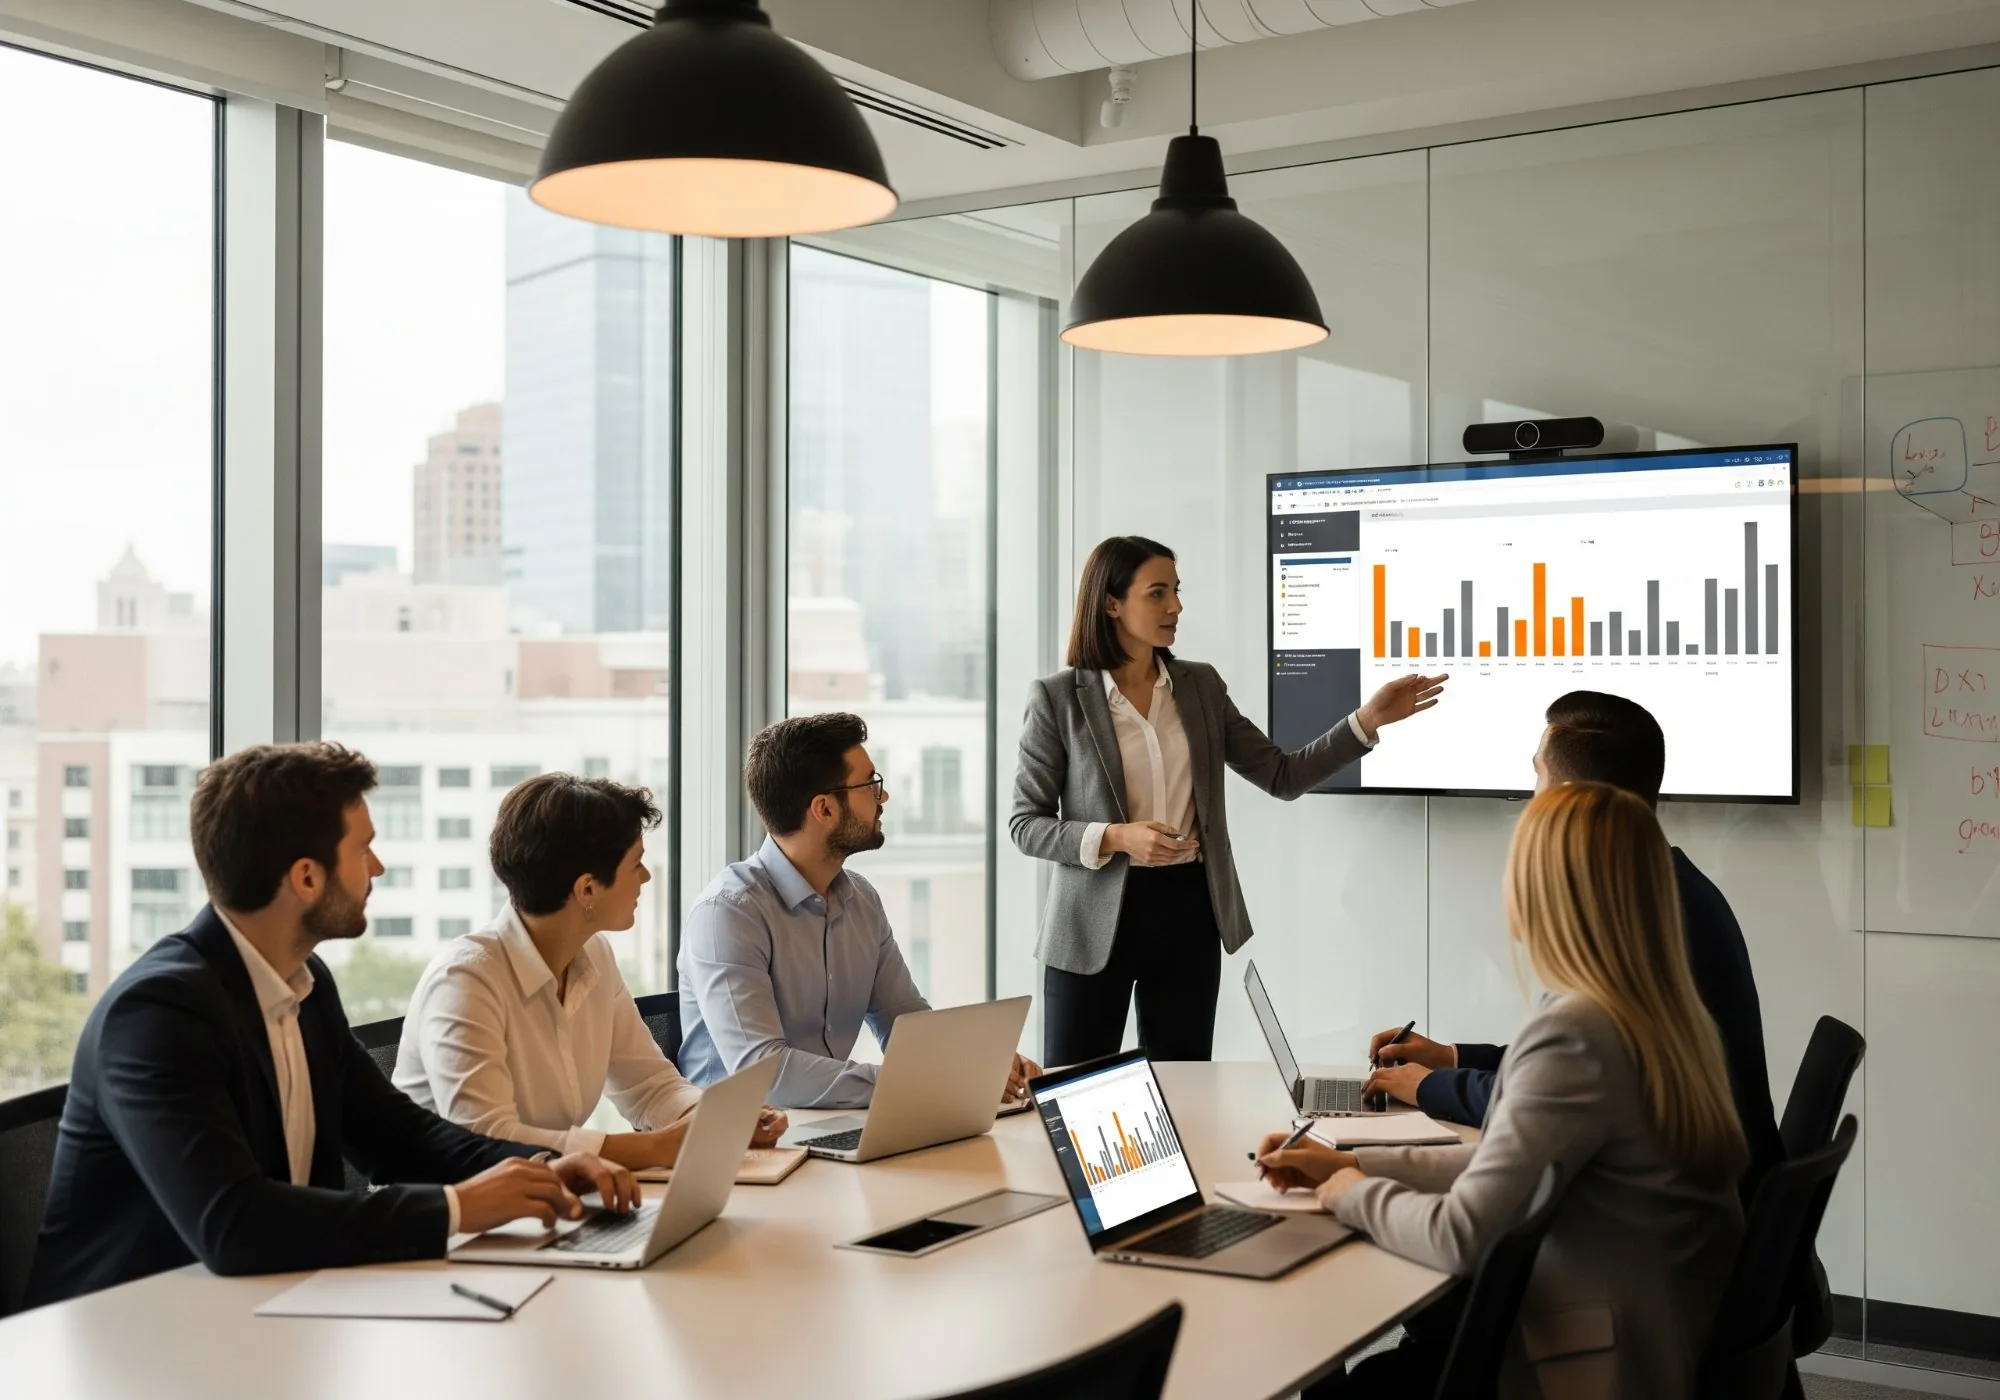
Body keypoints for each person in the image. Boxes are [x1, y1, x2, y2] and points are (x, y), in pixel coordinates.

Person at [26, 743, 637, 1308]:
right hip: (130, 1331)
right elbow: (233, 1223)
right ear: (307, 877)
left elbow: (400, 1137)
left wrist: (544, 1167)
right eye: (362, 849)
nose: (378, 866)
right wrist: (457, 1208)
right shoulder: (158, 1012)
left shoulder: (304, 982)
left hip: (274, 1304)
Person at [1256, 783, 1747, 1399]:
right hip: (1659, 1329)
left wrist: (1348, 1194)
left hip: (1592, 1360)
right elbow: (1504, 1162)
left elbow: (1459, 1236)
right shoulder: (1664, 1012)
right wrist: (1353, 1164)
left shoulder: (1577, 1032)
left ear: (1543, 894)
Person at [1011, 535, 1446, 1066]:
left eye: (1177, 590)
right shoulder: (1058, 698)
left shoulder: (1200, 686)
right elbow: (1026, 824)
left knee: (1186, 1085)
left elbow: (1282, 774)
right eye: (1157, 593)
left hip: (1188, 911)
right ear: (1111, 603)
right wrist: (1118, 837)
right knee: (1076, 1088)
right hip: (1089, 923)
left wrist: (1367, 719)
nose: (1176, 606)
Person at [1361, 689, 1785, 1200]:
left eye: (1537, 775)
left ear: (1565, 799)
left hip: (1678, 1205)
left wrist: (1427, 1087)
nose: (1530, 797)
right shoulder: (1667, 886)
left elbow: (1557, 1095)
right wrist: (1451, 1057)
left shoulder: (1640, 918)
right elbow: (1575, 1067)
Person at [395, 773, 787, 1168]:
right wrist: (653, 1148)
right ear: (586, 890)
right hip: (452, 1201)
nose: (646, 877)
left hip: (549, 1192)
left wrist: (719, 1119)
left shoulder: (594, 955)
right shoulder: (465, 980)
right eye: (636, 864)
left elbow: (649, 1086)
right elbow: (486, 1136)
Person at [678, 713, 1042, 1109]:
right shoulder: (728, 915)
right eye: (870, 784)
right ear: (824, 809)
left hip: (826, 1124)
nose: (882, 798)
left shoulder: (861, 900)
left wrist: (979, 1062)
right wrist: (929, 1080)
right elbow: (766, 1075)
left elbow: (906, 1024)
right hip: (741, 1137)